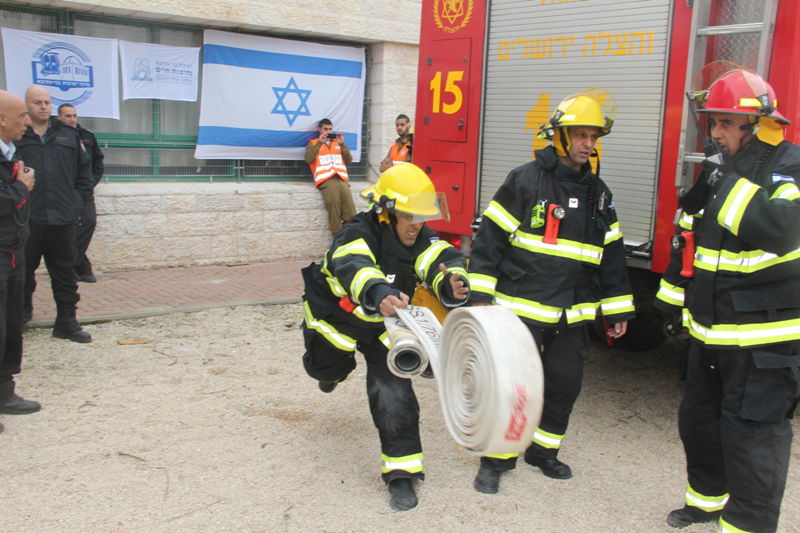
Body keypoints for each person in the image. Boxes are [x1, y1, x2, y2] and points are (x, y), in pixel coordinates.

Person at [654, 67, 800, 533]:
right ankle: (704, 503)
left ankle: (747, 526)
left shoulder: (790, 167)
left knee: (753, 438)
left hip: (763, 343)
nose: (714, 133)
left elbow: (781, 229)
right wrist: (673, 300)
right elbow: (688, 237)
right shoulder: (719, 170)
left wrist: (729, 181)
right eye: (713, 122)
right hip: (709, 332)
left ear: (755, 125)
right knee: (699, 424)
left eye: (723, 123)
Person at [467, 90, 634, 494]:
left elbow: (610, 256)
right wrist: (481, 298)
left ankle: (543, 452)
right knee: (516, 388)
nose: (588, 145)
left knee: (564, 386)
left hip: (572, 315)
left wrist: (618, 312)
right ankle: (497, 459)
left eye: (594, 137)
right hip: (522, 310)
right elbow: (490, 241)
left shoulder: (600, 193)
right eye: (580, 135)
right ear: (558, 136)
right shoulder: (525, 180)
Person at [300, 162, 469, 511]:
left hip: (383, 326)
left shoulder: (419, 235)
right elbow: (355, 266)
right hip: (337, 320)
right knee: (324, 370)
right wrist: (378, 292)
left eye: (421, 216)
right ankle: (330, 376)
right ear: (386, 213)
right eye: (410, 216)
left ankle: (402, 473)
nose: (417, 224)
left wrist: (451, 280)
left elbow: (438, 257)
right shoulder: (356, 233)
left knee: (394, 390)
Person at [17, 85, 92, 343]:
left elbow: (85, 173)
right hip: (29, 219)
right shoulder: (17, 136)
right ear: (27, 106)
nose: (43, 107)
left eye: (47, 102)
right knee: (23, 274)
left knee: (65, 274)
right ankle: (21, 316)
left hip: (62, 218)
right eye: (37, 102)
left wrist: (76, 203)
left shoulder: (68, 135)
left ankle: (66, 323)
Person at [0, 90, 42, 430]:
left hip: (12, 252)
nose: (26, 122)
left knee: (11, 325)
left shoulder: (9, 153)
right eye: (20, 117)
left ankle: (5, 393)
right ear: (2, 120)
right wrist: (20, 188)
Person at [56, 104, 104, 284]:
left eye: (74, 115)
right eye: (67, 116)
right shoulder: (54, 137)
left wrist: (91, 183)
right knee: (67, 229)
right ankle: (82, 268)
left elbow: (98, 164)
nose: (72, 119)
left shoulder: (87, 137)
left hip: (84, 191)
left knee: (89, 222)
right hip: (65, 192)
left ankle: (71, 263)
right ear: (59, 117)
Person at [304, 118, 356, 234]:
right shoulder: (313, 143)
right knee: (335, 214)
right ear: (319, 130)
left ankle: (349, 238)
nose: (327, 132)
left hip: (341, 180)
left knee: (351, 213)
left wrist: (343, 144)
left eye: (330, 129)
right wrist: (319, 143)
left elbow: (348, 160)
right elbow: (308, 159)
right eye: (325, 129)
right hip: (326, 181)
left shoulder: (337, 143)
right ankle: (338, 242)